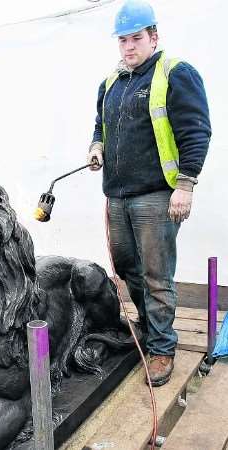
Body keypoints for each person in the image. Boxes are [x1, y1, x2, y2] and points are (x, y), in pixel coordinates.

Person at [87, 0, 211, 386]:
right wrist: (96, 147)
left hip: (157, 195)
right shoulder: (110, 84)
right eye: (122, 40)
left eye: (136, 38)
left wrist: (185, 185)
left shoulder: (175, 74)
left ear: (153, 36)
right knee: (127, 267)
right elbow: (99, 126)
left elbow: (196, 131)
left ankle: (161, 348)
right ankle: (148, 327)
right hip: (118, 196)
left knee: (157, 273)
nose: (128, 47)